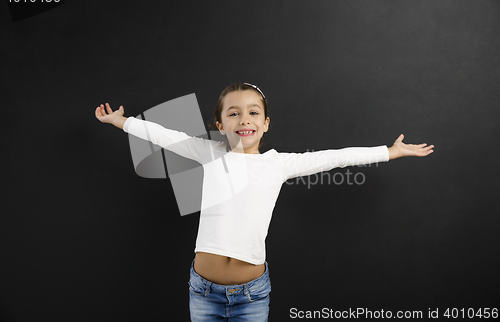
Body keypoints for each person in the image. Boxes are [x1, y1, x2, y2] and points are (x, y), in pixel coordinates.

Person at [95, 82, 434, 321]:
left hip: (252, 295)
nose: (244, 119)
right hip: (202, 291)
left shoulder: (278, 164)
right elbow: (163, 136)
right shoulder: (207, 151)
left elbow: (336, 157)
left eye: (253, 113)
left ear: (265, 123)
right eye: (234, 113)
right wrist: (121, 121)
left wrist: (389, 151)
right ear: (219, 124)